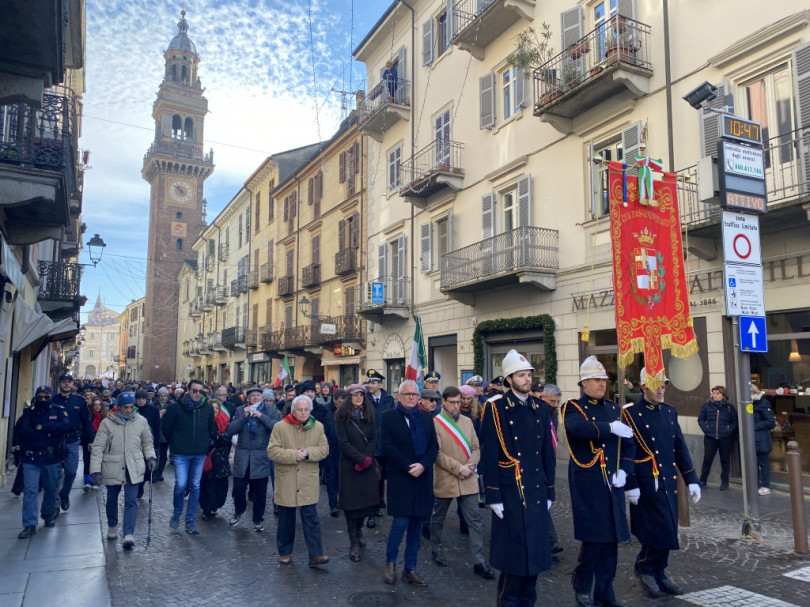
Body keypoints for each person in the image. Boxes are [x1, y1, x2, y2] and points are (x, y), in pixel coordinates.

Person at [479, 350, 557, 606]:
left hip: (534, 490)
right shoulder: (496, 408)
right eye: (521, 375)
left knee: (534, 558)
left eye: (529, 375)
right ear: (509, 379)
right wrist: (492, 494)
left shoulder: (541, 408)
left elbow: (548, 453)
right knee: (514, 562)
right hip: (510, 491)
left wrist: (550, 490)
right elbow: (489, 452)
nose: (527, 379)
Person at [622, 368, 701, 598]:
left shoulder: (669, 412)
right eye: (656, 385)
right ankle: (646, 567)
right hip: (646, 482)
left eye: (664, 385)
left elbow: (680, 448)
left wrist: (692, 479)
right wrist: (631, 483)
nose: (661, 389)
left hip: (667, 480)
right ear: (644, 387)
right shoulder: (631, 416)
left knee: (668, 528)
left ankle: (659, 571)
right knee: (653, 529)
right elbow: (628, 452)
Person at [563, 356, 635, 607]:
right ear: (584, 383)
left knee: (612, 541)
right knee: (594, 540)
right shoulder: (573, 406)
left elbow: (628, 445)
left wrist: (625, 471)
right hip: (589, 482)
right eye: (596, 380)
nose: (602, 384)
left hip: (613, 482)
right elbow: (578, 428)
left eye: (604, 379)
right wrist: (609, 428)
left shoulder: (614, 409)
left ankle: (605, 590)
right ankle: (582, 585)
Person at [431, 386, 494, 579]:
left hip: (468, 478)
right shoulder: (435, 423)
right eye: (453, 402)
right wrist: (459, 468)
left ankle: (479, 561)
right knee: (438, 517)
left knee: (474, 520)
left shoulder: (467, 421)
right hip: (448, 478)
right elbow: (437, 454)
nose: (457, 405)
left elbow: (476, 447)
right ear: (444, 402)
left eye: (459, 402)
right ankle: (436, 548)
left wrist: (471, 464)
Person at [381, 379, 439, 587]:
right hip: (401, 477)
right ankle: (390, 562)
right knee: (401, 523)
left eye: (415, 394)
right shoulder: (389, 417)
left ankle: (410, 568)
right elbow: (386, 447)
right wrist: (408, 467)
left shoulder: (425, 417)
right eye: (408, 394)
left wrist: (422, 466)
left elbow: (434, 446)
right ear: (400, 396)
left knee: (417, 526)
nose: (412, 397)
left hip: (422, 478)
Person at [268, 395, 330, 567]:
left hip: (307, 480)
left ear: (310, 410)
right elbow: (272, 451)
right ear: (293, 411)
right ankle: (285, 552)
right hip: (287, 478)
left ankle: (316, 554)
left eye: (306, 409)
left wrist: (309, 453)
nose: (303, 413)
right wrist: (294, 455)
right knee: (286, 519)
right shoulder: (280, 427)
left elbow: (324, 450)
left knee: (311, 518)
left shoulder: (318, 427)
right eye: (300, 410)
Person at [90, 392, 156, 550]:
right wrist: (95, 470)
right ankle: (112, 525)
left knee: (131, 501)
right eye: (125, 407)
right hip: (113, 465)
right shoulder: (107, 423)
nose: (129, 410)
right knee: (112, 499)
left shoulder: (141, 421)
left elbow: (147, 442)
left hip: (133, 466)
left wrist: (151, 458)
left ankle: (128, 533)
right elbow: (98, 448)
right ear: (118, 407)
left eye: (131, 407)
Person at [161, 378, 217, 535]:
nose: (198, 394)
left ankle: (190, 520)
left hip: (200, 453)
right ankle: (177, 512)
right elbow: (166, 427)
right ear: (188, 390)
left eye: (201, 391)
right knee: (180, 484)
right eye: (195, 390)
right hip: (181, 453)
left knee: (195, 486)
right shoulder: (175, 408)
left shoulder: (207, 408)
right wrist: (175, 442)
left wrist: (207, 443)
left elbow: (211, 427)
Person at [15, 386, 71, 539]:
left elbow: (64, 427)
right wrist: (47, 432)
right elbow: (23, 431)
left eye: (46, 397)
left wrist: (42, 428)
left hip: (51, 457)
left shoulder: (58, 410)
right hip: (31, 457)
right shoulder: (29, 412)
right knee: (30, 491)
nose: (43, 400)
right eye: (40, 397)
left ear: (51, 397)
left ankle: (48, 515)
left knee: (51, 488)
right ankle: (29, 524)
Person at [335, 384, 379, 562]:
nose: (359, 397)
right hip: (349, 466)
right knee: (351, 506)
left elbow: (375, 438)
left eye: (361, 394)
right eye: (355, 395)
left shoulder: (369, 414)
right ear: (349, 397)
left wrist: (367, 458)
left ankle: (359, 529)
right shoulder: (342, 417)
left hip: (367, 465)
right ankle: (353, 541)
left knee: (366, 504)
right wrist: (360, 459)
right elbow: (343, 443)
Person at [227, 386, 279, 531]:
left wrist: (261, 416)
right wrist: (244, 416)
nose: (256, 398)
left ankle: (258, 519)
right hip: (243, 456)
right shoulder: (240, 410)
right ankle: (239, 511)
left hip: (260, 456)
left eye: (258, 395)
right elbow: (231, 430)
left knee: (260, 492)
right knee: (238, 488)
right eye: (253, 396)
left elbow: (276, 427)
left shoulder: (269, 410)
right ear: (248, 398)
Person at [52, 374, 95, 512]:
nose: (66, 384)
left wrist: (91, 440)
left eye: (69, 382)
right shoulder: (52, 400)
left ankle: (64, 494)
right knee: (55, 474)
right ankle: (55, 505)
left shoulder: (79, 401)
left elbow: (87, 422)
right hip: (55, 440)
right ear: (59, 384)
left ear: (72, 384)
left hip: (72, 440)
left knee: (71, 472)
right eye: (63, 382)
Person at [365, 369, 395, 528]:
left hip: (386, 444)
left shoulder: (389, 399)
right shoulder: (364, 399)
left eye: (373, 382)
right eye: (369, 382)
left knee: (384, 476)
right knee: (372, 478)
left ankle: (381, 500)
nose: (370, 385)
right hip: (371, 445)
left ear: (380, 384)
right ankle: (372, 511)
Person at [697, 386, 738, 490]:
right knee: (707, 459)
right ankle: (703, 480)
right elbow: (701, 419)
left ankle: (724, 482)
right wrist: (706, 429)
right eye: (714, 393)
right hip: (710, 437)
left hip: (725, 438)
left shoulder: (729, 407)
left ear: (723, 395)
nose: (715, 395)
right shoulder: (706, 406)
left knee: (725, 460)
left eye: (718, 393)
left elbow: (735, 421)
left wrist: (729, 431)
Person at [540, 384, 564, 555]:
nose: (555, 405)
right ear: (543, 398)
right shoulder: (539, 413)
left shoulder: (553, 414)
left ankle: (549, 540)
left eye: (557, 402)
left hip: (549, 462)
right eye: (552, 401)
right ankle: (550, 540)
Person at [199, 399, 232, 521]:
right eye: (212, 409)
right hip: (208, 459)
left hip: (222, 459)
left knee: (221, 487)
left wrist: (221, 439)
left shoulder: (225, 422)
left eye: (216, 408)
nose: (214, 411)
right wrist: (218, 440)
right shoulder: (203, 422)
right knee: (207, 485)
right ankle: (206, 509)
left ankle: (215, 506)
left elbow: (228, 438)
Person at [311, 382, 340, 517]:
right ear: (334, 399)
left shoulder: (348, 411)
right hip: (329, 450)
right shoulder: (325, 411)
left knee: (342, 479)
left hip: (344, 452)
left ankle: (341, 502)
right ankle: (333, 504)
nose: (340, 404)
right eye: (338, 402)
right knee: (331, 478)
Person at [134, 389, 160, 499]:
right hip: (135, 444)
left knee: (145, 468)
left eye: (143, 399)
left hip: (148, 443)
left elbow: (157, 428)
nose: (140, 401)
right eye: (139, 399)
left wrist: (156, 445)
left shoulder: (154, 410)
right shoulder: (131, 409)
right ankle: (137, 486)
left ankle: (141, 484)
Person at [752, 385, 775, 496]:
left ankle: (765, 486)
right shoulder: (750, 404)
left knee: (763, 463)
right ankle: (755, 485)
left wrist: (753, 426)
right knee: (753, 463)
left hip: (761, 439)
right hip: (753, 439)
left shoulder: (763, 404)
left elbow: (770, 422)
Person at [83, 395, 106, 492]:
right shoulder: (89, 415)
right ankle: (88, 481)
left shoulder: (105, 418)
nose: (97, 407)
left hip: (101, 441)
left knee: (98, 461)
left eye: (99, 405)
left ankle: (96, 479)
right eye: (95, 405)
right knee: (87, 460)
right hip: (89, 440)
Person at [153, 387, 173, 481]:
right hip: (156, 434)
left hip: (166, 434)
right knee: (155, 455)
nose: (163, 397)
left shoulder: (171, 405)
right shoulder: (154, 405)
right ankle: (154, 473)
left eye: (165, 396)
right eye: (161, 396)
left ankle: (160, 473)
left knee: (164, 455)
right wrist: (158, 415)